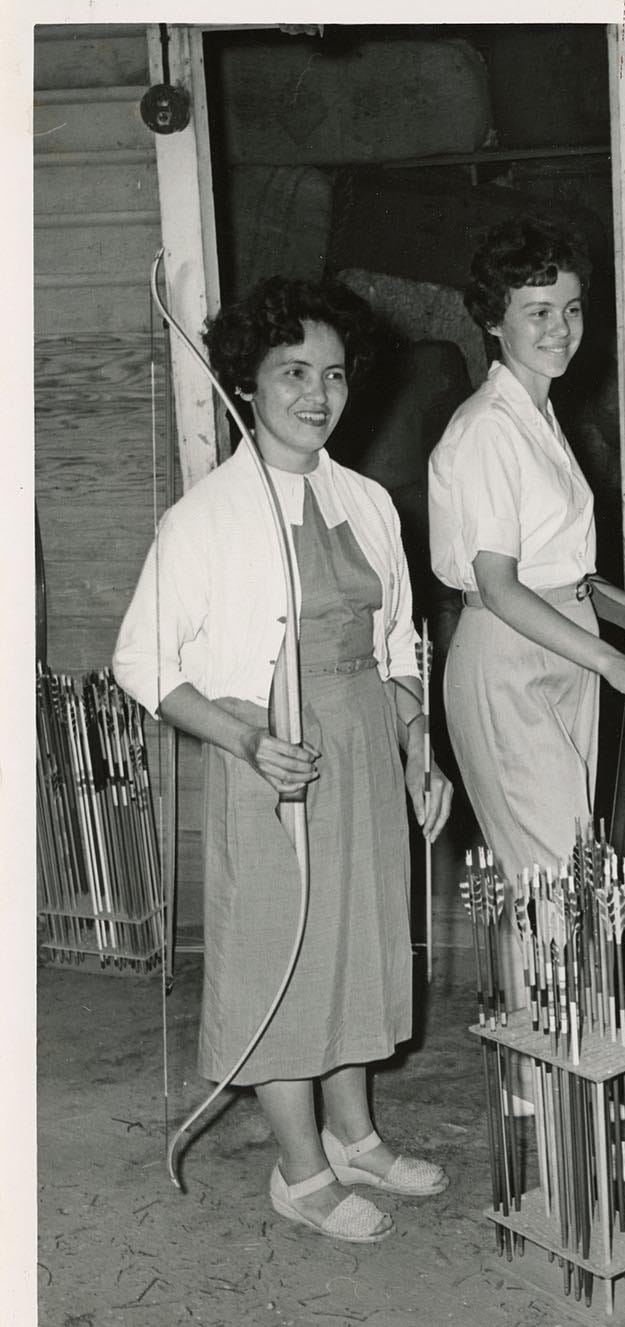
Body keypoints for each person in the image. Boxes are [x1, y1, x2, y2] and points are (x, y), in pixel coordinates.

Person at [114, 277, 453, 1244]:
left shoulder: (369, 502)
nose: (318, 394)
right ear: (248, 382)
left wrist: (419, 753)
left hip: (362, 751)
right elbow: (144, 663)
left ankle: (355, 1136)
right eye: (293, 372)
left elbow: (395, 649)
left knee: (355, 947)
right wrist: (248, 743)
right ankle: (299, 1172)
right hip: (269, 759)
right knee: (283, 956)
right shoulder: (206, 517)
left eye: (335, 374)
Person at [428, 216, 625, 1026]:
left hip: (565, 654)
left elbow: (567, 574)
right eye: (537, 310)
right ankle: (550, 1085)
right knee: (547, 878)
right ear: (492, 318)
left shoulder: (540, 419)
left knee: (568, 871)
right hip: (508, 660)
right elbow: (503, 588)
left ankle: (560, 1068)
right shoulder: (483, 430)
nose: (560, 329)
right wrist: (619, 663)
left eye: (572, 309)